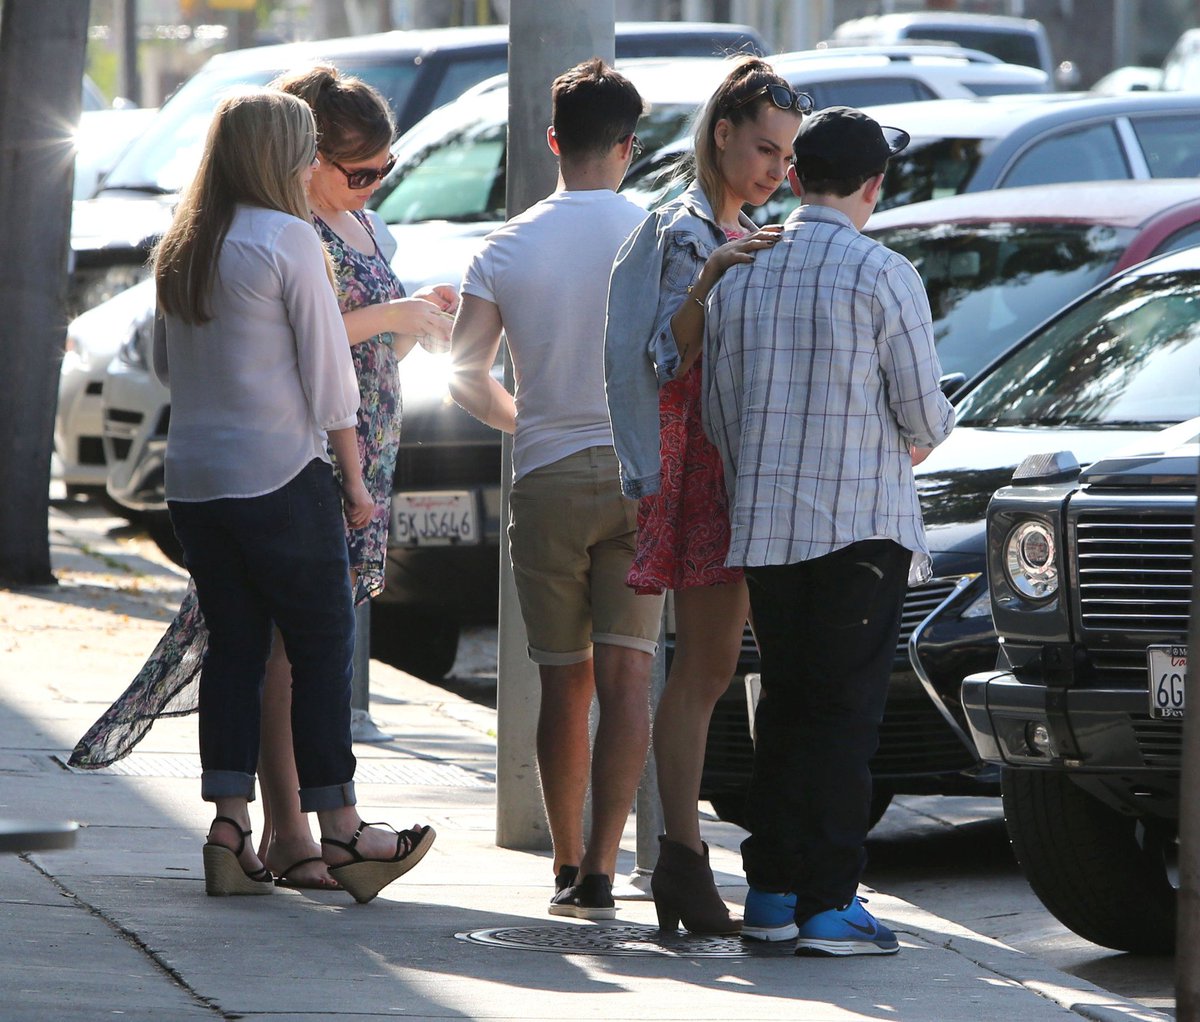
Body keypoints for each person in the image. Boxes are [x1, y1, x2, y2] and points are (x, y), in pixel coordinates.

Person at [70, 68, 455, 894]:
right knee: (322, 646)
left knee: (237, 653)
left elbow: (178, 367)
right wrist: (354, 484)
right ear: (277, 156)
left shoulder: (186, 244)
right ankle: (345, 832)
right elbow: (330, 383)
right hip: (280, 474)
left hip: (196, 483)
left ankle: (227, 830)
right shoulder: (287, 240)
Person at [701, 106, 955, 954]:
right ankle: (829, 903)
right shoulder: (885, 274)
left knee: (786, 709)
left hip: (768, 527)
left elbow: (718, 415)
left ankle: (771, 894)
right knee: (845, 719)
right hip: (860, 531)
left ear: (799, 178)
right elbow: (926, 413)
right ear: (875, 185)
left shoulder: (741, 272)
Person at [448, 58, 664, 920]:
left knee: (561, 681)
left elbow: (464, 374)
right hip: (639, 478)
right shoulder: (656, 233)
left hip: (545, 478)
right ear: (628, 147)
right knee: (628, 680)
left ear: (551, 142)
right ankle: (608, 867)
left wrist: (524, 419)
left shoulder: (505, 245)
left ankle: (566, 863)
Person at [602, 57, 807, 935]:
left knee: (721, 669)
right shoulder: (691, 231)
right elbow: (661, 357)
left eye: (788, 156)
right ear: (721, 133)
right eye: (764, 147)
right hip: (703, 473)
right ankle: (679, 857)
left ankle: (688, 858)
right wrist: (717, 272)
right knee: (703, 669)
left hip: (739, 466)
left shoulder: (748, 223)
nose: (775, 169)